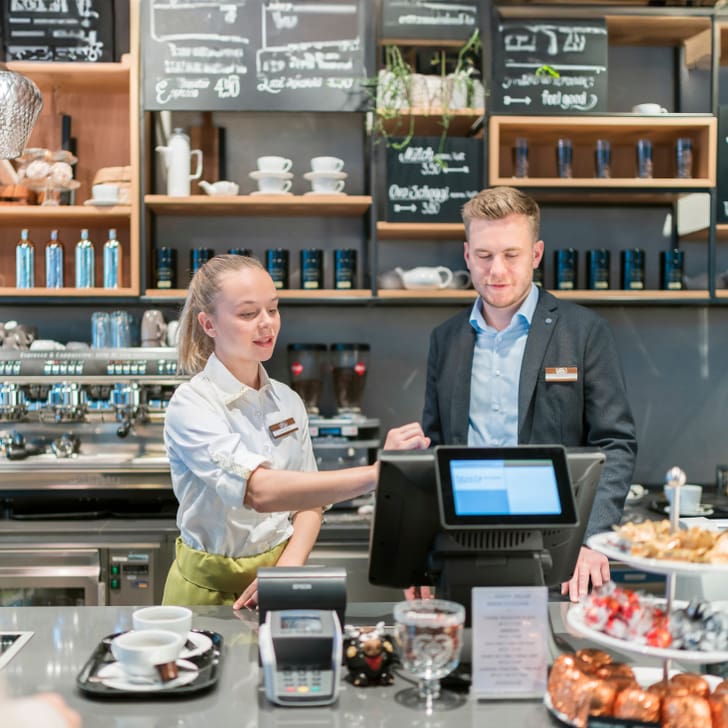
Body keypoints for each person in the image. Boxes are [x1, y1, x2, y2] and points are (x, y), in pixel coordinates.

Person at [162, 254, 428, 610]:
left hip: (277, 586)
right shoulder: (191, 404)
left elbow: (310, 504)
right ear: (208, 324)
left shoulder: (287, 401)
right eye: (247, 313)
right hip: (203, 596)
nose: (266, 324)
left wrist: (285, 571)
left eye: (273, 309)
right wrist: (378, 474)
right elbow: (259, 490)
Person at [417, 186, 637, 601]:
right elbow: (435, 452)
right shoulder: (445, 340)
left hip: (559, 552)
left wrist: (594, 539)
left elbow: (615, 443)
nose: (496, 270)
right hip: (462, 550)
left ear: (536, 254)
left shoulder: (584, 333)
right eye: (484, 256)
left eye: (511, 255)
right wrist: (419, 554)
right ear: (467, 256)